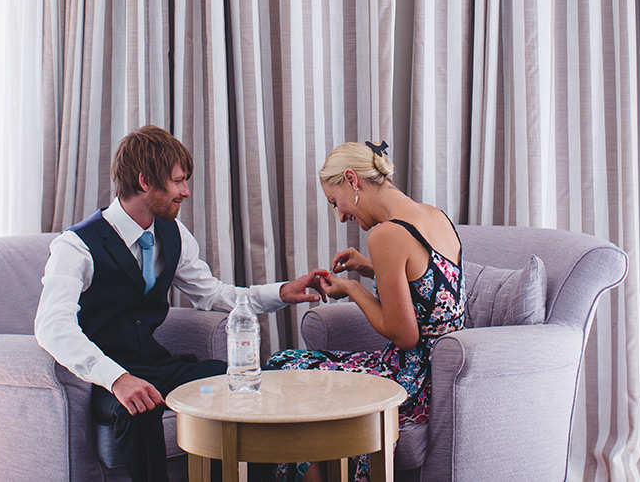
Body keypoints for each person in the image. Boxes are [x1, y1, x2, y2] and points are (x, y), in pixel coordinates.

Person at [33, 124, 329, 482]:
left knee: (234, 382)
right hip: (105, 378)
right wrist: (119, 379)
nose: (186, 192)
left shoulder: (173, 235)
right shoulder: (75, 246)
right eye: (178, 181)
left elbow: (215, 294)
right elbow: (52, 326)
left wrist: (282, 292)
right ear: (145, 182)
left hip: (157, 365)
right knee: (138, 409)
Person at [264, 140, 465, 482]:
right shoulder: (433, 215)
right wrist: (370, 268)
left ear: (351, 180)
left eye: (335, 202)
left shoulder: (386, 234)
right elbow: (429, 288)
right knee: (296, 371)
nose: (341, 215)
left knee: (281, 366)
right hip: (437, 378)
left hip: (408, 380)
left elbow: (404, 335)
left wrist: (354, 288)